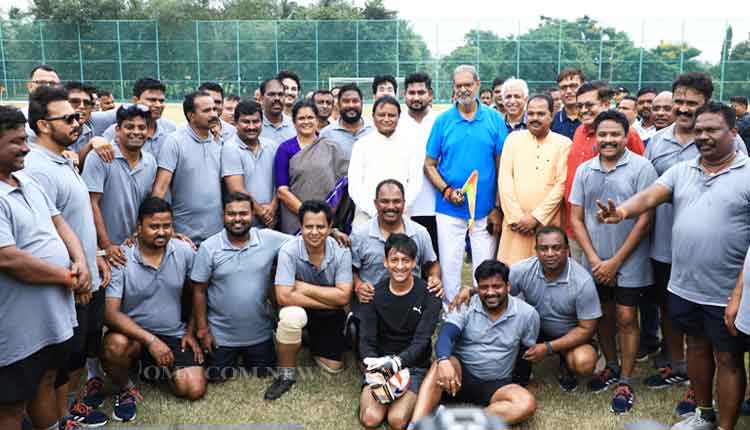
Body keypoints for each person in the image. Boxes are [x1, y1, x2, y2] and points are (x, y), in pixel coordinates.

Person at [596, 102, 750, 430]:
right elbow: (652, 194)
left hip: (727, 292)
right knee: (695, 348)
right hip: (685, 285)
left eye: (712, 130)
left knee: (728, 358)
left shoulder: (748, 173)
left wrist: (739, 294)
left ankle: (725, 426)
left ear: (733, 133)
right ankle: (704, 414)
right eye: (699, 131)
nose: (703, 137)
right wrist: (621, 212)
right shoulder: (684, 170)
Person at [641, 75, 747, 413]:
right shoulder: (660, 145)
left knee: (727, 350)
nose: (684, 109)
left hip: (725, 273)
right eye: (679, 102)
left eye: (692, 103)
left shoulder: (738, 157)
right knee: (685, 330)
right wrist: (622, 211)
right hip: (672, 255)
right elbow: (649, 193)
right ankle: (687, 382)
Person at [25, 86, 110, 427]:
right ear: (44, 125)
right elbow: (45, 233)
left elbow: (75, 218)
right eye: (70, 117)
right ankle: (59, 419)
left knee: (74, 358)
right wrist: (75, 277)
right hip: (69, 283)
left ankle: (69, 414)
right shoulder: (37, 168)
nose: (79, 121)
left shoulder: (64, 157)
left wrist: (96, 255)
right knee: (57, 367)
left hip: (87, 272)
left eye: (79, 115)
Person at [0, 105, 88, 430]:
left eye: (25, 139)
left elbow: (59, 222)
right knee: (10, 405)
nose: (25, 147)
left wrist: (79, 260)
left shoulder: (25, 181)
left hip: (51, 317)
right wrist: (68, 276)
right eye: (15, 141)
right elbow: (8, 258)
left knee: (46, 381)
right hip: (16, 326)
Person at [569, 109, 657, 414]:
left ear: (625, 135)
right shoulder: (584, 170)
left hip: (629, 259)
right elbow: (576, 218)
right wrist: (595, 259)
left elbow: (646, 219)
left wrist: (616, 261)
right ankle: (612, 364)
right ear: (595, 137)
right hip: (594, 259)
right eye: (602, 134)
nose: (608, 140)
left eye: (614, 134)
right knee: (602, 314)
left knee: (626, 317)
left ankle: (626, 379)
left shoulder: (642, 168)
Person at [101, 197, 206, 423]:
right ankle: (126, 387)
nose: (161, 232)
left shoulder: (184, 251)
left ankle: (150, 370)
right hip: (133, 336)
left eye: (166, 226)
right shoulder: (121, 257)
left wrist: (190, 331)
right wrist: (151, 341)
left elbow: (198, 294)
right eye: (154, 226)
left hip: (172, 333)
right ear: (138, 228)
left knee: (193, 389)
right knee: (114, 345)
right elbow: (110, 314)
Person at [410, 260, 539, 426]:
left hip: (497, 383)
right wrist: (442, 360)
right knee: (440, 364)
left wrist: (522, 384)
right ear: (478, 288)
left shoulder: (527, 314)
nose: (490, 292)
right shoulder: (466, 304)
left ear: (508, 286)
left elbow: (525, 353)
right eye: (484, 287)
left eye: (497, 286)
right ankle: (415, 424)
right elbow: (446, 336)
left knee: (526, 404)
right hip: (459, 378)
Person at [424, 65, 506, 305]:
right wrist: (447, 191)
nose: (463, 89)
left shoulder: (494, 119)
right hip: (449, 209)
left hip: (485, 210)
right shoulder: (443, 121)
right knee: (449, 265)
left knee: (485, 267)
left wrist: (497, 207)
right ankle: (452, 314)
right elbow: (429, 164)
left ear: (478, 85)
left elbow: (502, 166)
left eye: (467, 85)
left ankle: (484, 313)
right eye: (458, 85)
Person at [192, 192, 293, 382]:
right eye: (231, 214)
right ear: (223, 215)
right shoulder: (209, 247)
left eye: (243, 213)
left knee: (264, 374)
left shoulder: (268, 239)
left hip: (259, 334)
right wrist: (202, 330)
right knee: (216, 378)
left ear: (253, 214)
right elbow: (199, 291)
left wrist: (333, 232)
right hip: (221, 335)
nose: (237, 219)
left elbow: (302, 241)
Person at [264, 200, 353, 400]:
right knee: (291, 316)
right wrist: (333, 300)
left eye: (320, 226)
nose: (314, 232)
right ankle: (286, 375)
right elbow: (283, 296)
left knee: (333, 367)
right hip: (301, 306)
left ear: (330, 228)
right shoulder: (289, 250)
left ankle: (309, 339)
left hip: (328, 312)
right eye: (308, 226)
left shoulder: (341, 250)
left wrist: (304, 287)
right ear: (301, 227)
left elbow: (345, 295)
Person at [358, 234, 442, 430]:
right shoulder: (373, 293)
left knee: (397, 420)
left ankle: (423, 399)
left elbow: (421, 341)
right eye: (394, 260)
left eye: (406, 260)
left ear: (414, 263)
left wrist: (397, 363)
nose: (400, 266)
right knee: (371, 418)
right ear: (385, 262)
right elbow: (366, 340)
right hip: (380, 365)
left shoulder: (429, 294)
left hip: (413, 367)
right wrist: (375, 365)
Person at [510, 226, 600, 392]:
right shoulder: (521, 270)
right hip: (535, 329)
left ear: (566, 250)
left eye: (556, 248)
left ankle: (566, 362)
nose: (550, 253)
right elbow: (497, 291)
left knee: (584, 362)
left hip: (570, 332)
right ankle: (521, 376)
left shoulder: (582, 281)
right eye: (543, 248)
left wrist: (548, 348)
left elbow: (587, 328)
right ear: (536, 250)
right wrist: (471, 291)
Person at [564, 81, 645, 262]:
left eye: (589, 105)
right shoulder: (579, 131)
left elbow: (640, 180)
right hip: (576, 228)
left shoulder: (627, 135)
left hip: (612, 230)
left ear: (606, 104)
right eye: (580, 106)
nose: (583, 110)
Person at [496, 94, 570, 265]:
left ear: (552, 115)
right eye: (531, 114)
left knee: (548, 272)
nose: (534, 118)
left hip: (547, 224)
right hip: (516, 226)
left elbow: (561, 185)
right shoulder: (513, 139)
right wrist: (516, 218)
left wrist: (536, 217)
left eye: (541, 114)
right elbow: (505, 179)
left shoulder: (563, 144)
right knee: (513, 274)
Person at [82, 104, 158, 267]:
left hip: (134, 248)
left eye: (142, 127)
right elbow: (91, 203)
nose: (136, 132)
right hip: (104, 252)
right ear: (117, 129)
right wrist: (106, 245)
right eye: (129, 127)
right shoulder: (100, 157)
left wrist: (140, 234)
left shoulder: (150, 162)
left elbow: (146, 203)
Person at [152, 90, 224, 245]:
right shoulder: (175, 142)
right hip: (183, 237)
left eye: (214, 109)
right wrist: (167, 230)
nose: (213, 114)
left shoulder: (219, 142)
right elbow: (160, 189)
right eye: (206, 110)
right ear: (191, 115)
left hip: (217, 236)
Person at [274, 100, 347, 234]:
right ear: (294, 122)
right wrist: (308, 216)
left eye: (310, 117)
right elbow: (282, 191)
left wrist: (322, 217)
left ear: (317, 120)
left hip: (326, 218)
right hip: (294, 219)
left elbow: (341, 185)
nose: (306, 122)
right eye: (301, 118)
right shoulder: (285, 149)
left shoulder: (331, 147)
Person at [348, 96, 423, 225]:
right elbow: (354, 186)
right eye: (381, 115)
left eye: (391, 115)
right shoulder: (362, 145)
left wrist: (396, 210)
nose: (386, 119)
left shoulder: (412, 144)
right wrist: (375, 212)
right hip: (366, 218)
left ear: (399, 117)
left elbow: (415, 182)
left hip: (400, 217)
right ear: (373, 117)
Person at [398, 72, 440, 257]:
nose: (416, 97)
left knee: (434, 258)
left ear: (430, 94)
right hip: (406, 207)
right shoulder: (396, 122)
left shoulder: (441, 121)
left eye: (421, 92)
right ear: (404, 95)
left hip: (437, 205)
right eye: (411, 92)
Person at [222, 100, 279, 229]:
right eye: (246, 122)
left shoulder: (272, 146)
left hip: (272, 221)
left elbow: (280, 183)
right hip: (244, 225)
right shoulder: (230, 148)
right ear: (236, 123)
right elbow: (237, 189)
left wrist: (272, 208)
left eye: (256, 121)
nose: (252, 126)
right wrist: (262, 213)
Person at [89, 77, 177, 160]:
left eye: (161, 101)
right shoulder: (115, 131)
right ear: (135, 101)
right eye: (152, 100)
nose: (158, 105)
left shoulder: (170, 130)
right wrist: (94, 141)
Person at [319, 83, 374, 161]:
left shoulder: (373, 129)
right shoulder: (327, 134)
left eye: (355, 101)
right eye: (346, 101)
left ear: (362, 103)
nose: (351, 105)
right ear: (338, 104)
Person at [551, 68, 585, 139]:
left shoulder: (593, 119)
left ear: (583, 87)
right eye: (564, 87)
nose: (568, 91)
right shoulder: (552, 121)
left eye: (573, 86)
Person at [260, 79, 296, 144]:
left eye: (280, 94)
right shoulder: (255, 125)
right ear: (262, 98)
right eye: (271, 94)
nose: (277, 98)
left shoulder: (294, 125)